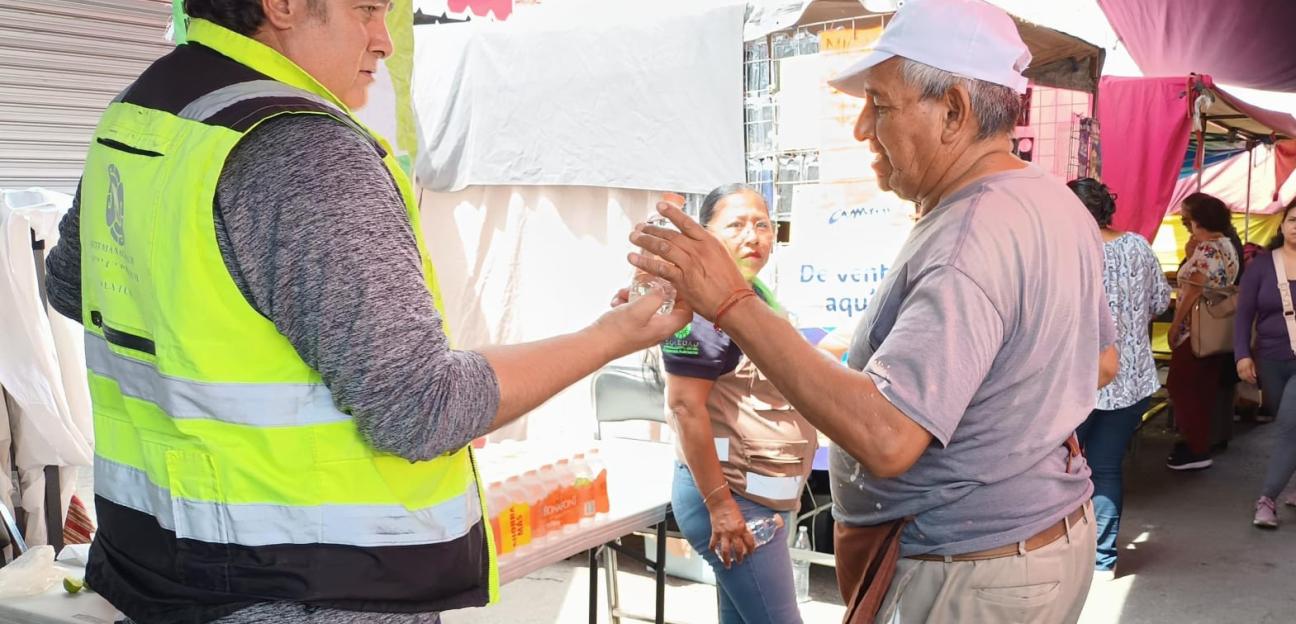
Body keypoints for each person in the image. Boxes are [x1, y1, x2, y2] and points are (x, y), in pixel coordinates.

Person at [43, 2, 688, 622]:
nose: (385, 40)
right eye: (365, 10)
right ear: (283, 5)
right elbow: (420, 408)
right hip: (305, 590)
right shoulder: (302, 147)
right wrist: (613, 335)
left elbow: (72, 286)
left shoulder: (140, 116)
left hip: (154, 571)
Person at [630, 0, 1117, 621]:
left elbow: (887, 440)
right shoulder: (1054, 201)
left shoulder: (968, 235)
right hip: (1026, 546)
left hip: (971, 570)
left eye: (880, 104)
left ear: (954, 112)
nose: (862, 127)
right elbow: (1099, 361)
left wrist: (730, 301)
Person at [660, 184, 816, 624]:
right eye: (737, 225)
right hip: (731, 498)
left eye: (763, 224)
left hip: (756, 497)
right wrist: (722, 508)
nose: (754, 236)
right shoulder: (700, 308)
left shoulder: (754, 295)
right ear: (706, 236)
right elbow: (685, 409)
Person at [1067, 178, 1170, 577]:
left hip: (1076, 384)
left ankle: (1065, 549)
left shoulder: (1066, 254)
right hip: (1131, 381)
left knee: (1066, 469)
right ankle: (1102, 561)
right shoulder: (1139, 247)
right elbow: (1160, 301)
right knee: (1106, 467)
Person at [1166, 192, 1243, 471]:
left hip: (1194, 329)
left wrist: (1175, 326)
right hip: (1216, 328)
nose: (1185, 222)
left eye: (1187, 218)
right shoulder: (1226, 244)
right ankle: (1199, 441)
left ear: (1198, 220)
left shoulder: (1208, 248)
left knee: (1181, 385)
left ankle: (1195, 446)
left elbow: (1194, 290)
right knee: (1203, 388)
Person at [1236, 197, 1296, 527]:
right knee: (1285, 419)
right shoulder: (1261, 266)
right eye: (1292, 219)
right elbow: (1244, 314)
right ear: (1282, 224)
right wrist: (1242, 354)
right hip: (1271, 359)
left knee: (1288, 426)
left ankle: (1266, 499)